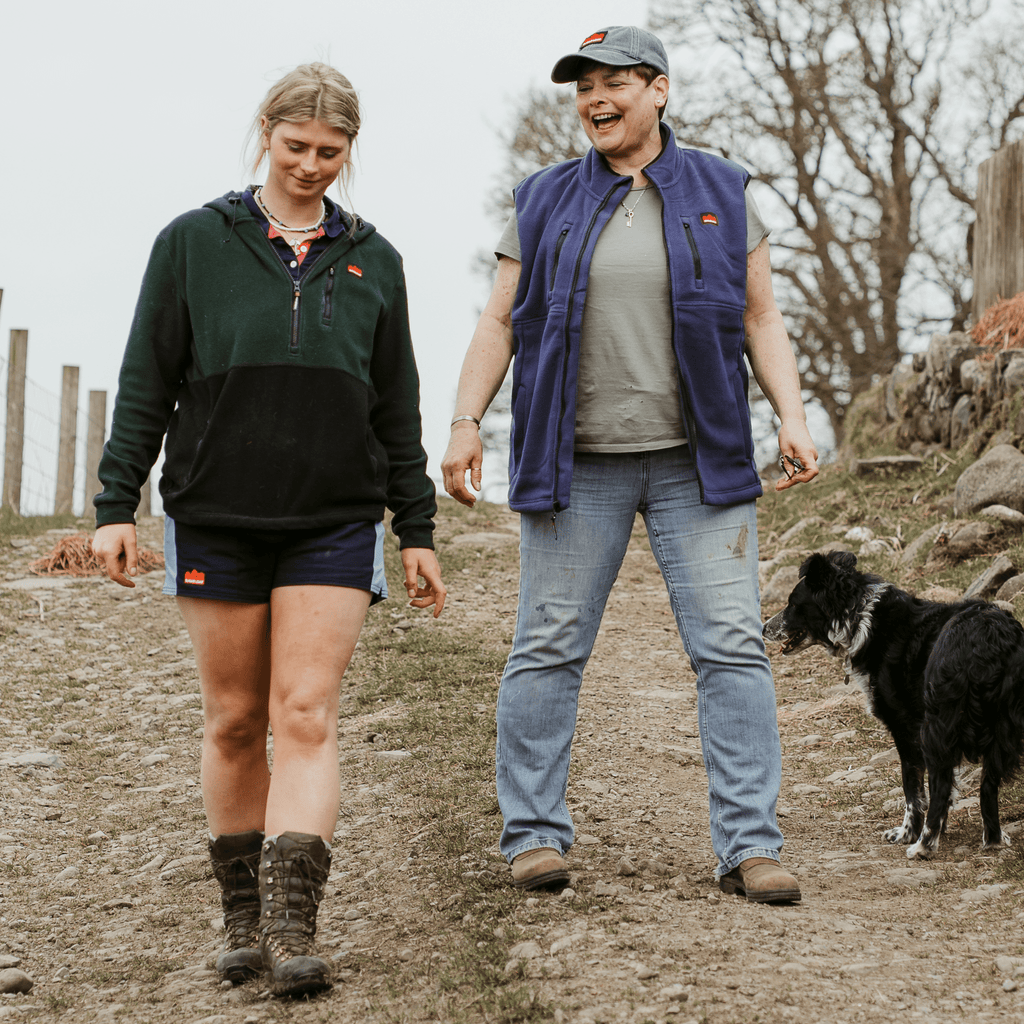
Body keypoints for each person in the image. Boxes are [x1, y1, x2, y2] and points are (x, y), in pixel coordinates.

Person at [441, 26, 817, 902]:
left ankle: (751, 845)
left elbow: (762, 317)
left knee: (731, 651)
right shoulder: (539, 200)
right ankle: (533, 836)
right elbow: (499, 322)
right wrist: (466, 421)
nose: (594, 101)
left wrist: (792, 416)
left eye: (612, 83)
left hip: (702, 463)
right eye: (582, 88)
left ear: (659, 91)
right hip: (576, 464)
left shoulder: (725, 190)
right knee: (547, 647)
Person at [92, 62, 445, 996]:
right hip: (216, 513)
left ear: (350, 152)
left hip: (332, 519)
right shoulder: (192, 243)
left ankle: (295, 925)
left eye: (331, 153)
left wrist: (416, 528)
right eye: (296, 147)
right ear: (265, 134)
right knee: (238, 719)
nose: (312, 166)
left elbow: (396, 409)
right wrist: (113, 507)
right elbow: (145, 382)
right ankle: (240, 918)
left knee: (304, 714)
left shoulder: (379, 261)